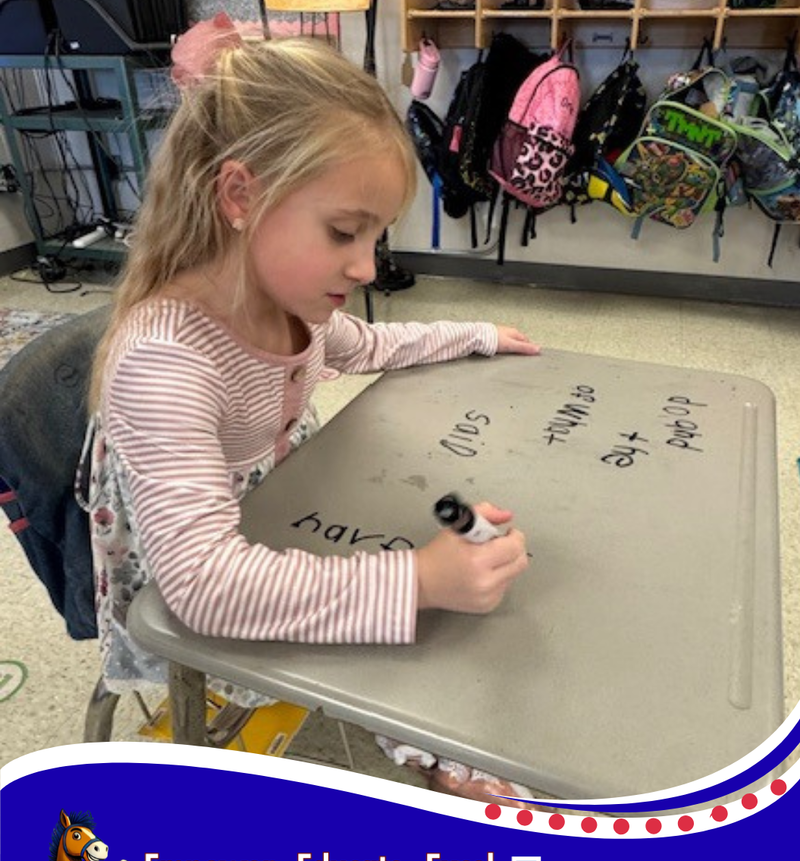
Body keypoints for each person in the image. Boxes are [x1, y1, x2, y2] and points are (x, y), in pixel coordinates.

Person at [86, 34, 540, 805]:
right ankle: (430, 749)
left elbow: (370, 343)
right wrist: (418, 580)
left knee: (434, 554)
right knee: (418, 604)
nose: (366, 268)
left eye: (374, 236)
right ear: (239, 198)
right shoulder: (165, 362)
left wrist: (475, 335)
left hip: (280, 506)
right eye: (343, 232)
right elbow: (201, 587)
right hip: (190, 583)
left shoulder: (290, 301)